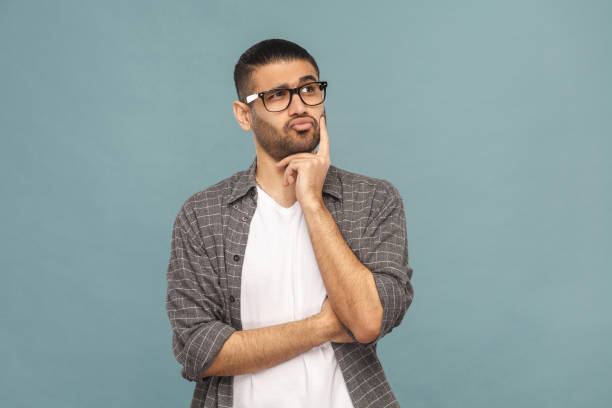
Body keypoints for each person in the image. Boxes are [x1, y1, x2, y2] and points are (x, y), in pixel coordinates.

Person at [165, 38, 415, 408]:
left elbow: (366, 321)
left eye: (309, 89)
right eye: (278, 95)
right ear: (244, 114)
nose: (300, 106)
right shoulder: (203, 215)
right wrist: (322, 327)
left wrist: (312, 203)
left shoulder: (374, 200)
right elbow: (199, 350)